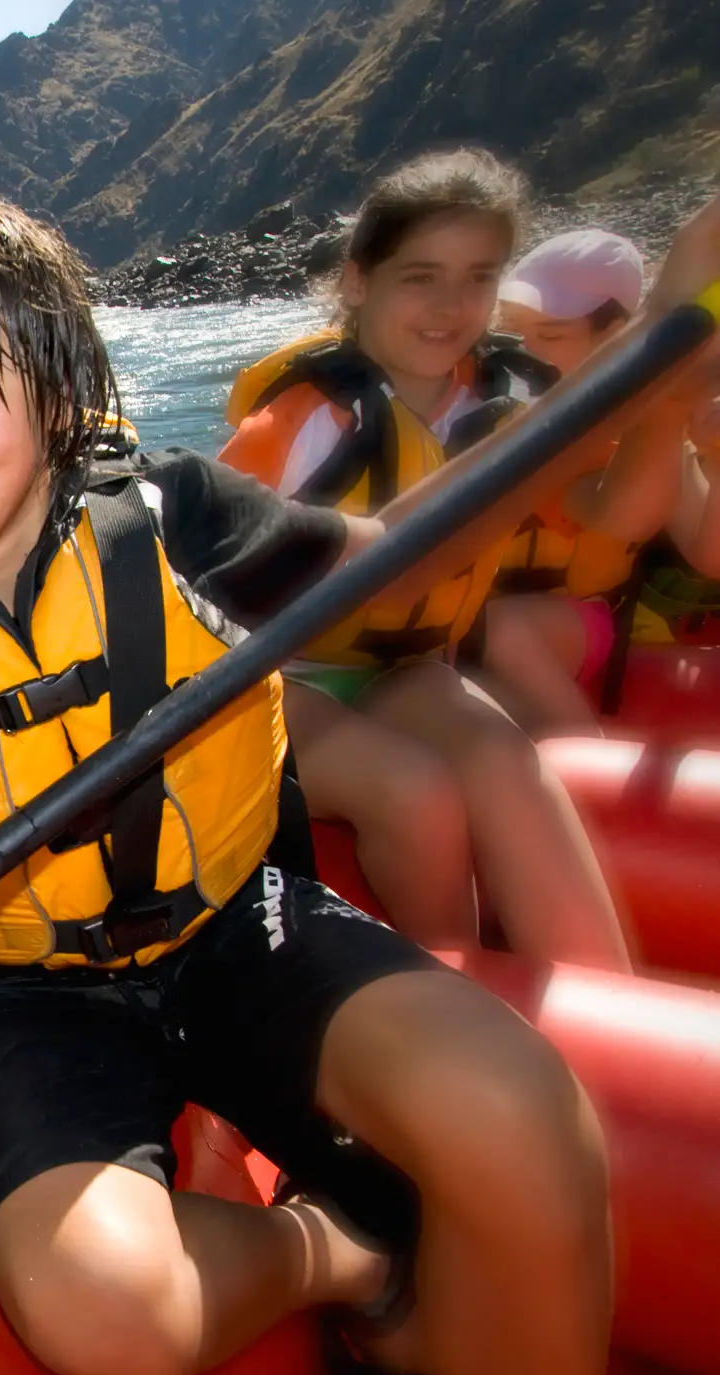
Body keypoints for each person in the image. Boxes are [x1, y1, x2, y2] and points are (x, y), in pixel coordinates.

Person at [0, 185, 720, 1375]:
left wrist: (651, 366)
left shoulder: (177, 512)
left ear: (54, 384)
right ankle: (341, 1253)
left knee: (520, 1106)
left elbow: (409, 554)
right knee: (101, 1313)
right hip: (21, 998)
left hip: (236, 923)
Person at [219, 151, 626, 969]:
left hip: (403, 663)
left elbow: (606, 528)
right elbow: (195, 575)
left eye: (478, 278)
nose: (451, 307)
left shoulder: (498, 402)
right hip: (276, 680)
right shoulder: (296, 423)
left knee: (505, 756)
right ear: (359, 279)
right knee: (418, 794)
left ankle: (609, 1013)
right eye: (421, 277)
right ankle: (456, 999)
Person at [482, 232, 720, 730]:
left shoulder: (655, 432)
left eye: (549, 335)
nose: (525, 353)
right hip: (493, 635)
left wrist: (717, 462)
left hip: (574, 625)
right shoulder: (510, 411)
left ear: (616, 336)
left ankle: (588, 754)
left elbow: (709, 554)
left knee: (502, 628)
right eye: (516, 333)